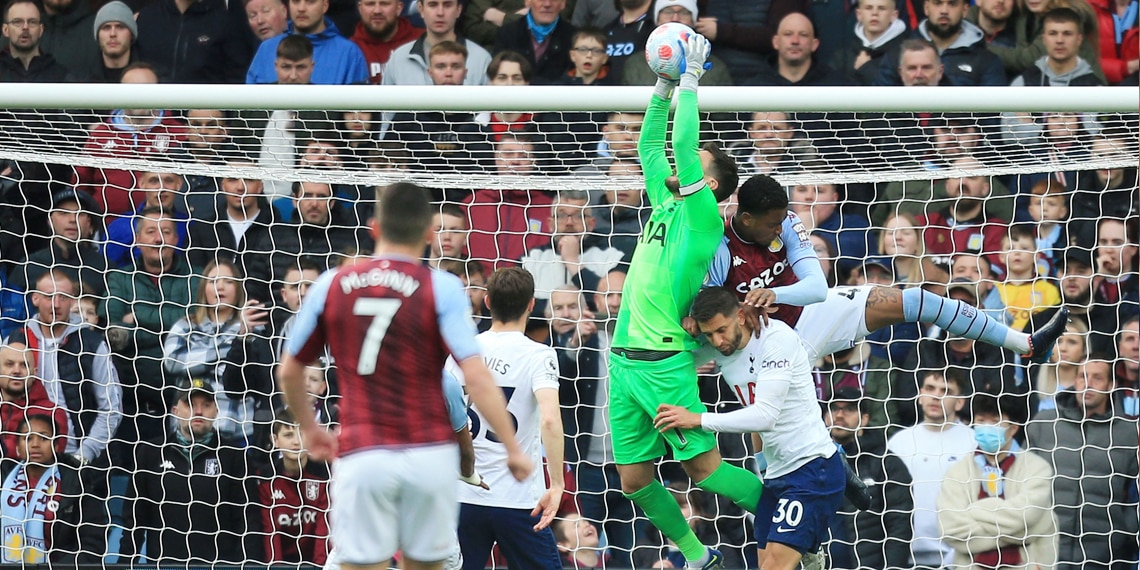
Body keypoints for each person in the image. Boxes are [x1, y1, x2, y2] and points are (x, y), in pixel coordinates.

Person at [277, 182, 533, 570]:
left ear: (374, 228)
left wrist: (310, 428)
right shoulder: (442, 287)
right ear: (430, 234)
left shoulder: (333, 283)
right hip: (428, 456)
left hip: (362, 454)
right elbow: (476, 376)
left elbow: (290, 369)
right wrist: (513, 448)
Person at [606, 32, 755, 570]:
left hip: (664, 361)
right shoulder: (665, 202)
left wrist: (692, 83)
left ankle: (800, 523)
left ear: (710, 182)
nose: (679, 158)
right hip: (622, 359)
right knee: (634, 480)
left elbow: (683, 153)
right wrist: (662, 88)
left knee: (707, 472)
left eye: (693, 161)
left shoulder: (702, 217)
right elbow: (650, 148)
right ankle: (698, 556)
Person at [703, 173, 1071, 372]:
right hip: (764, 341)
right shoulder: (717, 247)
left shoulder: (788, 223)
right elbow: (710, 305)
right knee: (773, 429)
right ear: (746, 218)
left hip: (813, 312)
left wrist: (776, 294)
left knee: (916, 299)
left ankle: (1026, 345)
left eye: (783, 220)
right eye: (771, 224)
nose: (779, 229)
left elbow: (816, 288)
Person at [656, 287, 846, 569]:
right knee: (764, 563)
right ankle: (810, 555)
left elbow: (765, 416)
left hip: (812, 469)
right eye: (709, 334)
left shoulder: (776, 339)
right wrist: (684, 328)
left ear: (742, 316)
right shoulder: (720, 348)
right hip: (778, 475)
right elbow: (668, 363)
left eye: (721, 330)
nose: (718, 341)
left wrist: (698, 419)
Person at [448, 267, 564, 569]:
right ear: (531, 304)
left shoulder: (461, 351)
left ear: (486, 302)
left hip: (463, 493)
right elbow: (550, 419)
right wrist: (557, 484)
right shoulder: (539, 354)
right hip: (518, 498)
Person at [118, 376, 260, 564]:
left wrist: (250, 565)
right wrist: (125, 564)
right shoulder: (149, 453)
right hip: (164, 566)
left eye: (206, 405)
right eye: (190, 404)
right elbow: (134, 520)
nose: (198, 411)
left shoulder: (234, 456)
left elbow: (248, 520)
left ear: (216, 411)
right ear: (175, 411)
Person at [1025, 356, 1140, 570]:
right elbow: (1019, 479)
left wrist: (1125, 531)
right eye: (1082, 377)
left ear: (1111, 385)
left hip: (1105, 557)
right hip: (1045, 553)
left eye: (1097, 378)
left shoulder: (1129, 433)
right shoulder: (1044, 423)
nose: (1087, 383)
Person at [938, 393, 1057, 569]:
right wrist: (1019, 531)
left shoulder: (1038, 468)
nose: (987, 427)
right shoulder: (957, 473)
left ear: (1013, 428)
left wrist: (975, 510)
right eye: (981, 420)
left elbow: (1028, 516)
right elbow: (952, 531)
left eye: (995, 421)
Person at [162, 259, 269, 441]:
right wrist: (228, 349)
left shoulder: (253, 327)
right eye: (213, 281)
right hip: (189, 430)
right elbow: (173, 362)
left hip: (239, 430)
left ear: (238, 288)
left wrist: (200, 358)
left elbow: (250, 375)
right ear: (204, 288)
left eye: (228, 281)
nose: (220, 287)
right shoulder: (185, 325)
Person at [23, 270, 122, 465]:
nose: (56, 304)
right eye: (49, 296)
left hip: (77, 459)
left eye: (63, 297)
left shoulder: (93, 345)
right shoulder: (17, 341)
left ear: (72, 301)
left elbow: (111, 408)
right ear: (35, 299)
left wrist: (84, 454)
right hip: (23, 458)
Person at [887, 368, 978, 569]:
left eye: (946, 391)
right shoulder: (899, 442)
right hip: (904, 556)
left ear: (960, 402)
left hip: (958, 556)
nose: (936, 396)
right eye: (930, 388)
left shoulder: (973, 442)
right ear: (920, 395)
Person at [824, 386, 914, 570]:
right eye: (834, 409)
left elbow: (900, 525)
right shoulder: (814, 462)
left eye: (849, 409)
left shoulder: (885, 462)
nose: (839, 415)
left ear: (864, 419)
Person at [0, 413, 107, 564]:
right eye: (28, 438)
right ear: (17, 447)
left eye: (43, 438)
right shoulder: (3, 480)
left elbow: (92, 544)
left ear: (56, 445)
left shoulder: (78, 482)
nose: (35, 444)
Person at [255, 408, 331, 565]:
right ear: (275, 440)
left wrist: (319, 567)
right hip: (282, 562)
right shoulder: (265, 478)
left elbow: (323, 533)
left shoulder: (324, 475)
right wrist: (276, 567)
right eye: (288, 435)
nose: (296, 442)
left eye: (301, 434)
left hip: (315, 562)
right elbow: (270, 532)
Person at [875, 0, 1007, 86]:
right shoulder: (897, 55)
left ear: (965, 10)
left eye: (952, 3)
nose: (944, 10)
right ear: (926, 8)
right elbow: (877, 113)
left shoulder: (987, 61)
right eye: (937, 3)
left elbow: (993, 118)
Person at [246, 0, 368, 84]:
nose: (301, 8)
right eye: (296, 1)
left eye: (310, 1)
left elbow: (356, 115)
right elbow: (249, 109)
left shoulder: (349, 53)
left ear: (325, 5)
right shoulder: (267, 49)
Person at [135, 0, 252, 83]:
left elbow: (236, 74)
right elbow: (133, 64)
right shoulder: (148, 17)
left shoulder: (224, 21)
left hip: (204, 110)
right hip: (152, 110)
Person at [382, 0, 492, 86]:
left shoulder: (481, 59)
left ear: (458, 10)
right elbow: (386, 113)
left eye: (447, 5)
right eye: (433, 4)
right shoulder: (399, 59)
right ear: (421, 9)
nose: (440, 13)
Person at [1010, 7, 1103, 85]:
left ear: (1079, 40)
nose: (1059, 40)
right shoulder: (1023, 83)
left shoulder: (1095, 89)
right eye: (1053, 33)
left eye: (1067, 34)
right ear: (1044, 39)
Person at [492, 0, 576, 84]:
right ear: (527, 1)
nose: (547, 4)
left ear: (563, 3)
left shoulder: (574, 38)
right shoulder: (507, 34)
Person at [351, 0, 424, 84]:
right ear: (360, 9)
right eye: (370, 4)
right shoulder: (349, 50)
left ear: (399, 8)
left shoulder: (423, 40)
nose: (377, 11)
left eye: (384, 4)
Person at [0, 0, 72, 82]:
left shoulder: (61, 76)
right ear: (5, 30)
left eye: (32, 22)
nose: (25, 27)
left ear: (41, 30)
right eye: (17, 22)